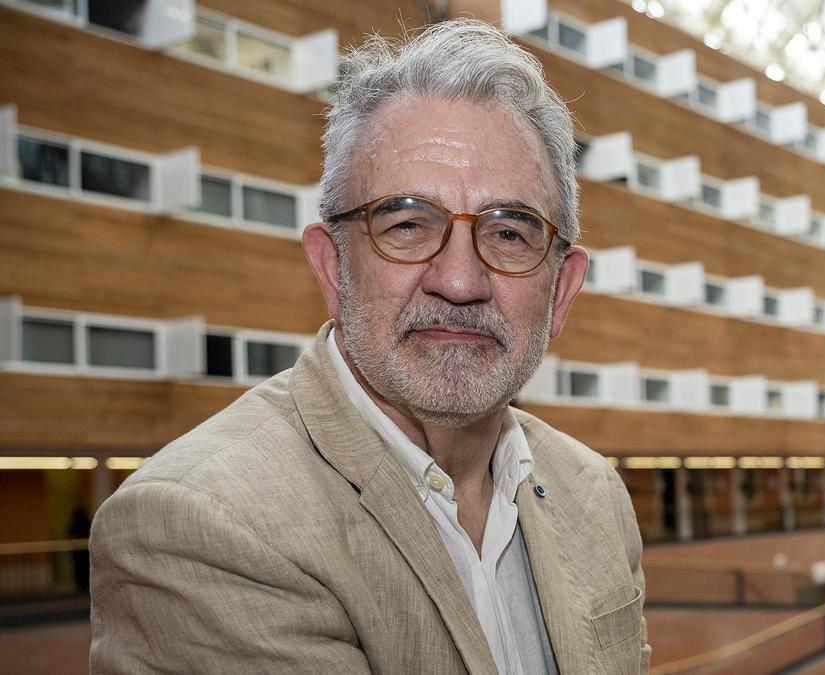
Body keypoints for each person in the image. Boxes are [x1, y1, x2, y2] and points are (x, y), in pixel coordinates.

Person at [89, 19, 649, 674]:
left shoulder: (595, 493)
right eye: (407, 223)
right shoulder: (200, 525)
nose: (461, 280)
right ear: (332, 269)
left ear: (561, 292)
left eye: (509, 233)